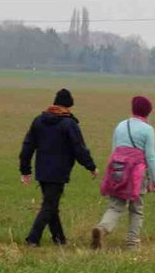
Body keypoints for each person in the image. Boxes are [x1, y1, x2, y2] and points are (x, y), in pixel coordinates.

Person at [18, 88, 97, 246]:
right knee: (49, 206)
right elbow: (79, 148)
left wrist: (25, 170)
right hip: (59, 171)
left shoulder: (38, 120)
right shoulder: (69, 124)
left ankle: (59, 239)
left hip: (42, 170)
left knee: (51, 204)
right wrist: (91, 166)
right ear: (68, 106)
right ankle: (32, 239)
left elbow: (28, 146)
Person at [91, 96, 155, 250]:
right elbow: (150, 156)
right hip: (137, 173)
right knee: (136, 209)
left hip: (118, 170)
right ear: (148, 112)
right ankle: (132, 243)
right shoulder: (148, 130)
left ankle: (102, 229)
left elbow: (114, 151)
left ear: (133, 109)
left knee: (115, 206)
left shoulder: (121, 125)